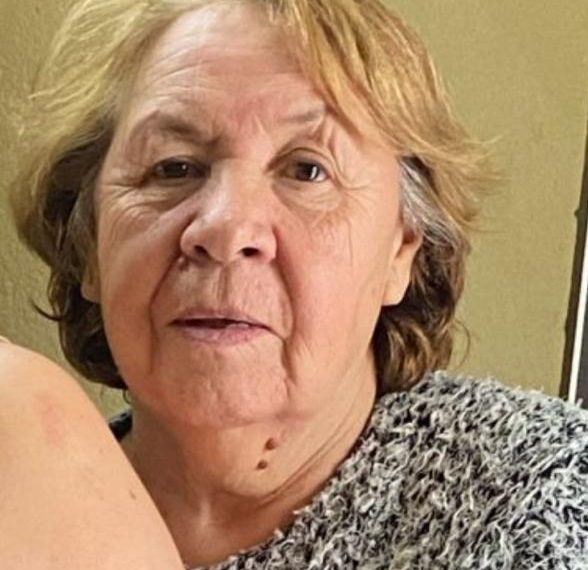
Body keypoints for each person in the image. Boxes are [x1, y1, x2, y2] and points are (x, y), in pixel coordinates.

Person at [2, 0, 588, 568]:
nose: (226, 229)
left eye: (307, 170)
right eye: (173, 167)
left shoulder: (546, 491)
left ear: (401, 251)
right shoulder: (23, 489)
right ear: (88, 247)